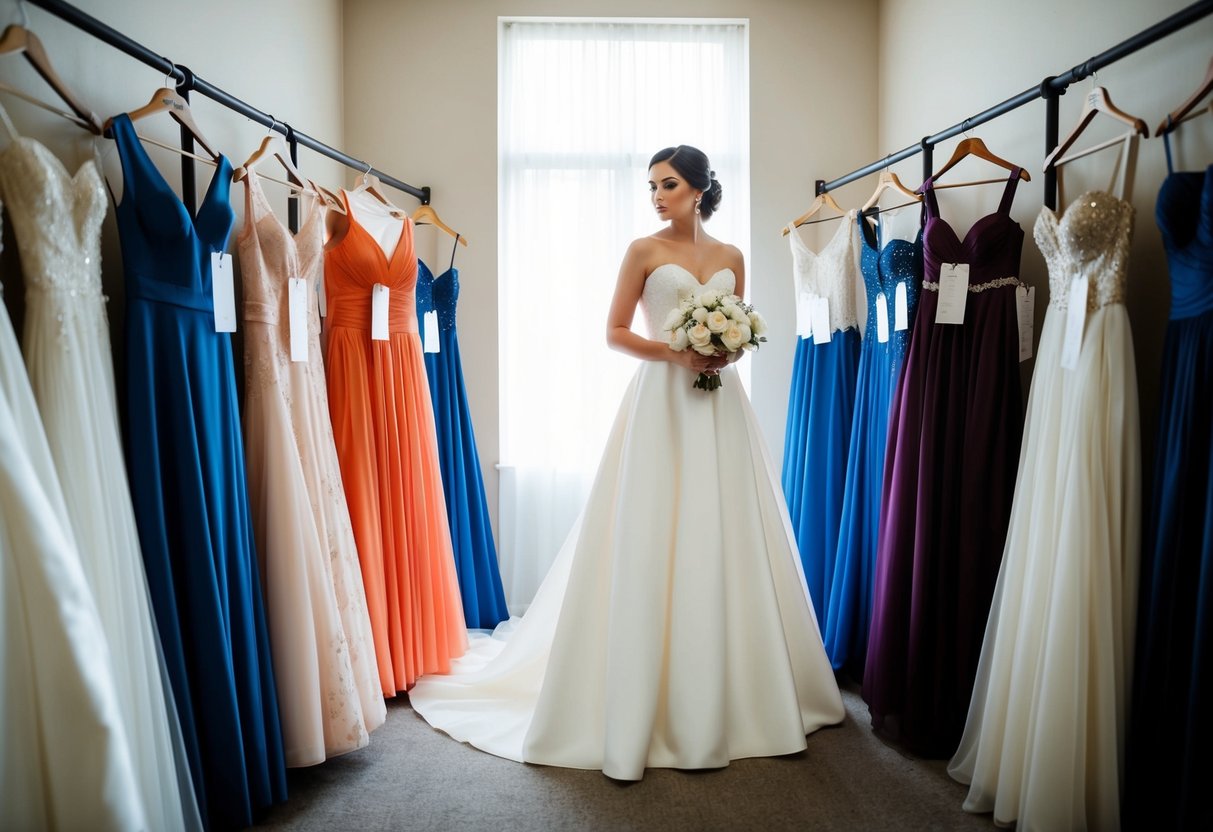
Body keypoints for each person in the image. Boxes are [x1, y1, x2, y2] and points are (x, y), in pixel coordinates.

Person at [408, 145, 844, 781]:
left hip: (719, 410)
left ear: (699, 190)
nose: (657, 195)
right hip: (659, 404)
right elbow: (614, 332)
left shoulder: (732, 257)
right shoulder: (643, 250)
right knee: (651, 531)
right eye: (652, 187)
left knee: (721, 533)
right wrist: (678, 353)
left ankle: (738, 696)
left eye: (668, 185)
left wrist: (724, 351)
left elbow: (741, 331)